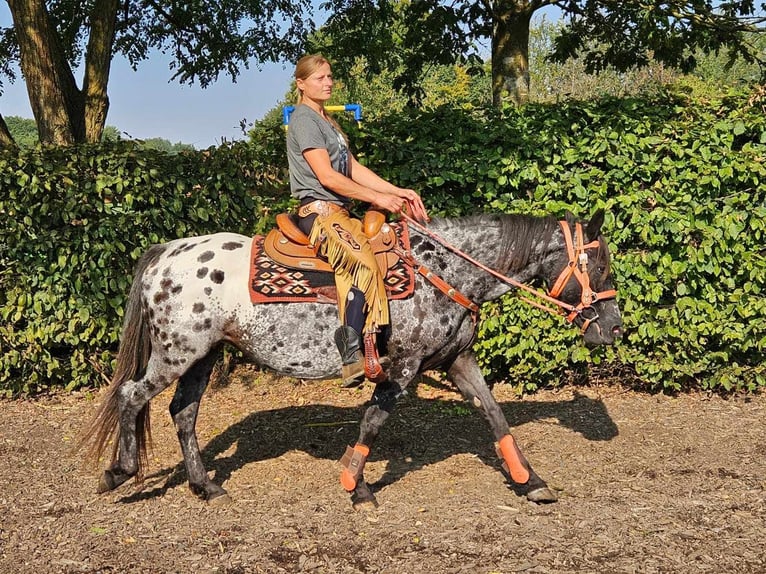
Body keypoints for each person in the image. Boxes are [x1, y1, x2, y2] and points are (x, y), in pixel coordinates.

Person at [286, 53, 429, 387]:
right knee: (361, 263)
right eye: (320, 78)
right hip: (318, 213)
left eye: (330, 76)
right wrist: (378, 199)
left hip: (340, 213)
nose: (328, 82)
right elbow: (328, 177)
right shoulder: (304, 119)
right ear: (301, 83)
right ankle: (350, 353)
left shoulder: (327, 122)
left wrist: (398, 191)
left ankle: (376, 339)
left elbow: (352, 169)